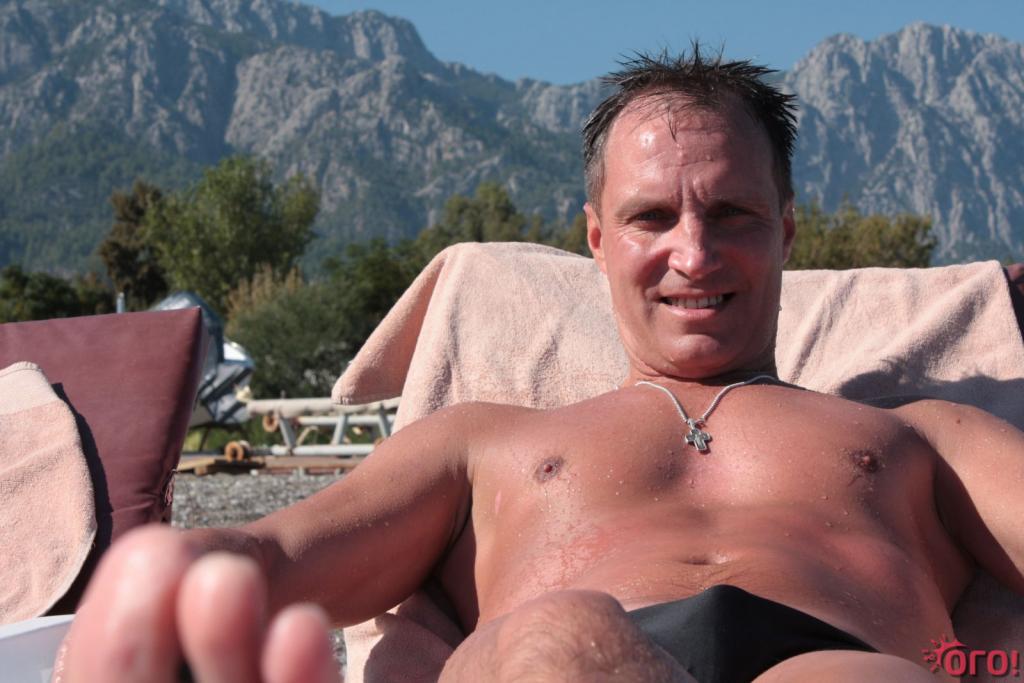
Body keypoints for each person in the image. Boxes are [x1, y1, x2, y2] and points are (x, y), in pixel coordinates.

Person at [59, 48, 1024, 683]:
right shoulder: (485, 442)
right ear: (598, 239)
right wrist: (175, 565)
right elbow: (282, 554)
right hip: (575, 658)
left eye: (732, 214)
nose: (694, 253)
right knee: (559, 643)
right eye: (653, 217)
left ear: (787, 233)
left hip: (837, 655)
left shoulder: (919, 432)